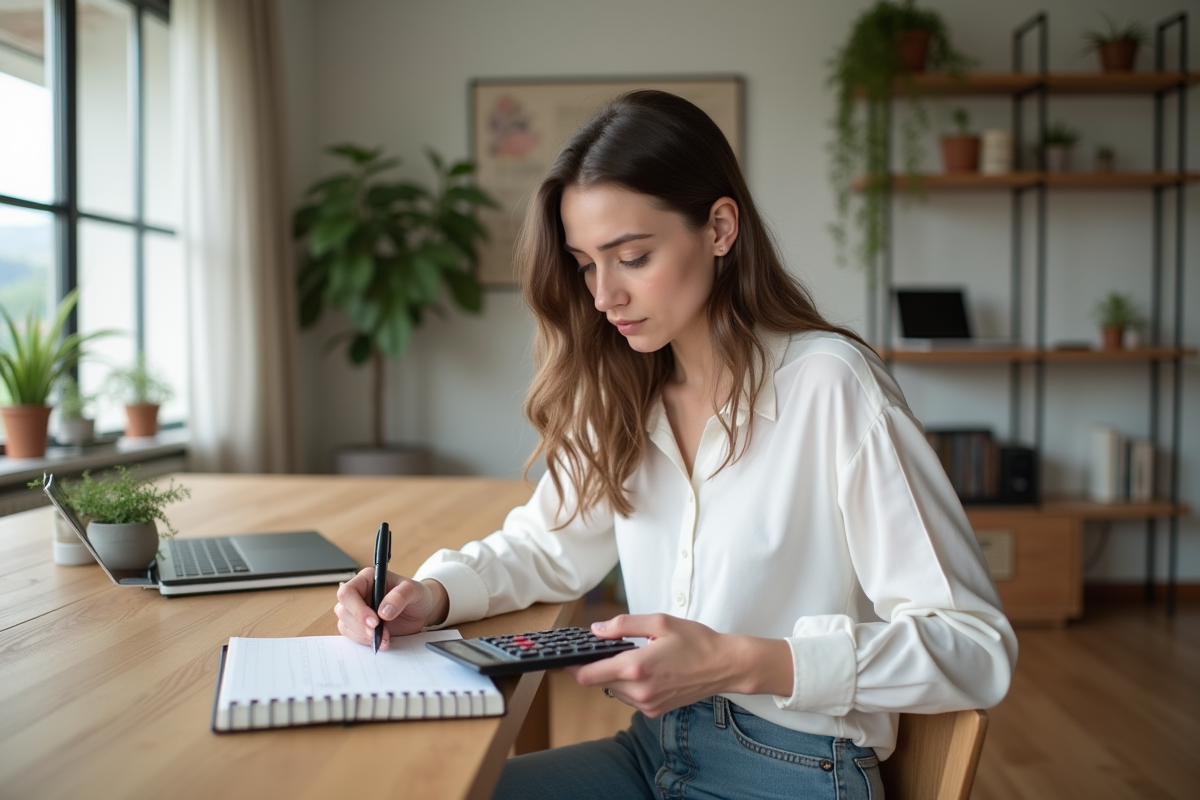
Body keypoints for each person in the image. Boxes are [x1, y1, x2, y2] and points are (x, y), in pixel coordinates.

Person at [334, 90, 1016, 800]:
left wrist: (741, 662)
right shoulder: (623, 388)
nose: (604, 296)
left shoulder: (833, 388)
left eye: (631, 256)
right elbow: (547, 546)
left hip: (794, 774)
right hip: (652, 752)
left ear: (720, 228)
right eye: (586, 264)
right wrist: (430, 596)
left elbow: (974, 648)